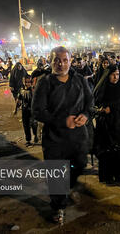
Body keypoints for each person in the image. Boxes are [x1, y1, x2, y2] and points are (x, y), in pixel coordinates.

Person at [32, 46, 93, 223]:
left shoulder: (80, 80)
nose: (61, 64)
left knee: (79, 165)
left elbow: (90, 103)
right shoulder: (45, 82)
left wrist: (86, 116)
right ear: (50, 61)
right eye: (57, 60)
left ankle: (67, 187)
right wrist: (61, 120)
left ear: (71, 60)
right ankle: (58, 206)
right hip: (54, 138)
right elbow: (37, 111)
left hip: (78, 137)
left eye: (65, 60)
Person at [15, 75, 38, 146]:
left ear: (31, 82)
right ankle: (28, 140)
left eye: (28, 82)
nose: (27, 83)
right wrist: (15, 109)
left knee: (34, 125)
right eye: (25, 82)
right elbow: (18, 100)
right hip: (25, 111)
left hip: (32, 111)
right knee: (26, 126)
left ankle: (35, 135)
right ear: (23, 82)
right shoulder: (21, 90)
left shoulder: (34, 90)